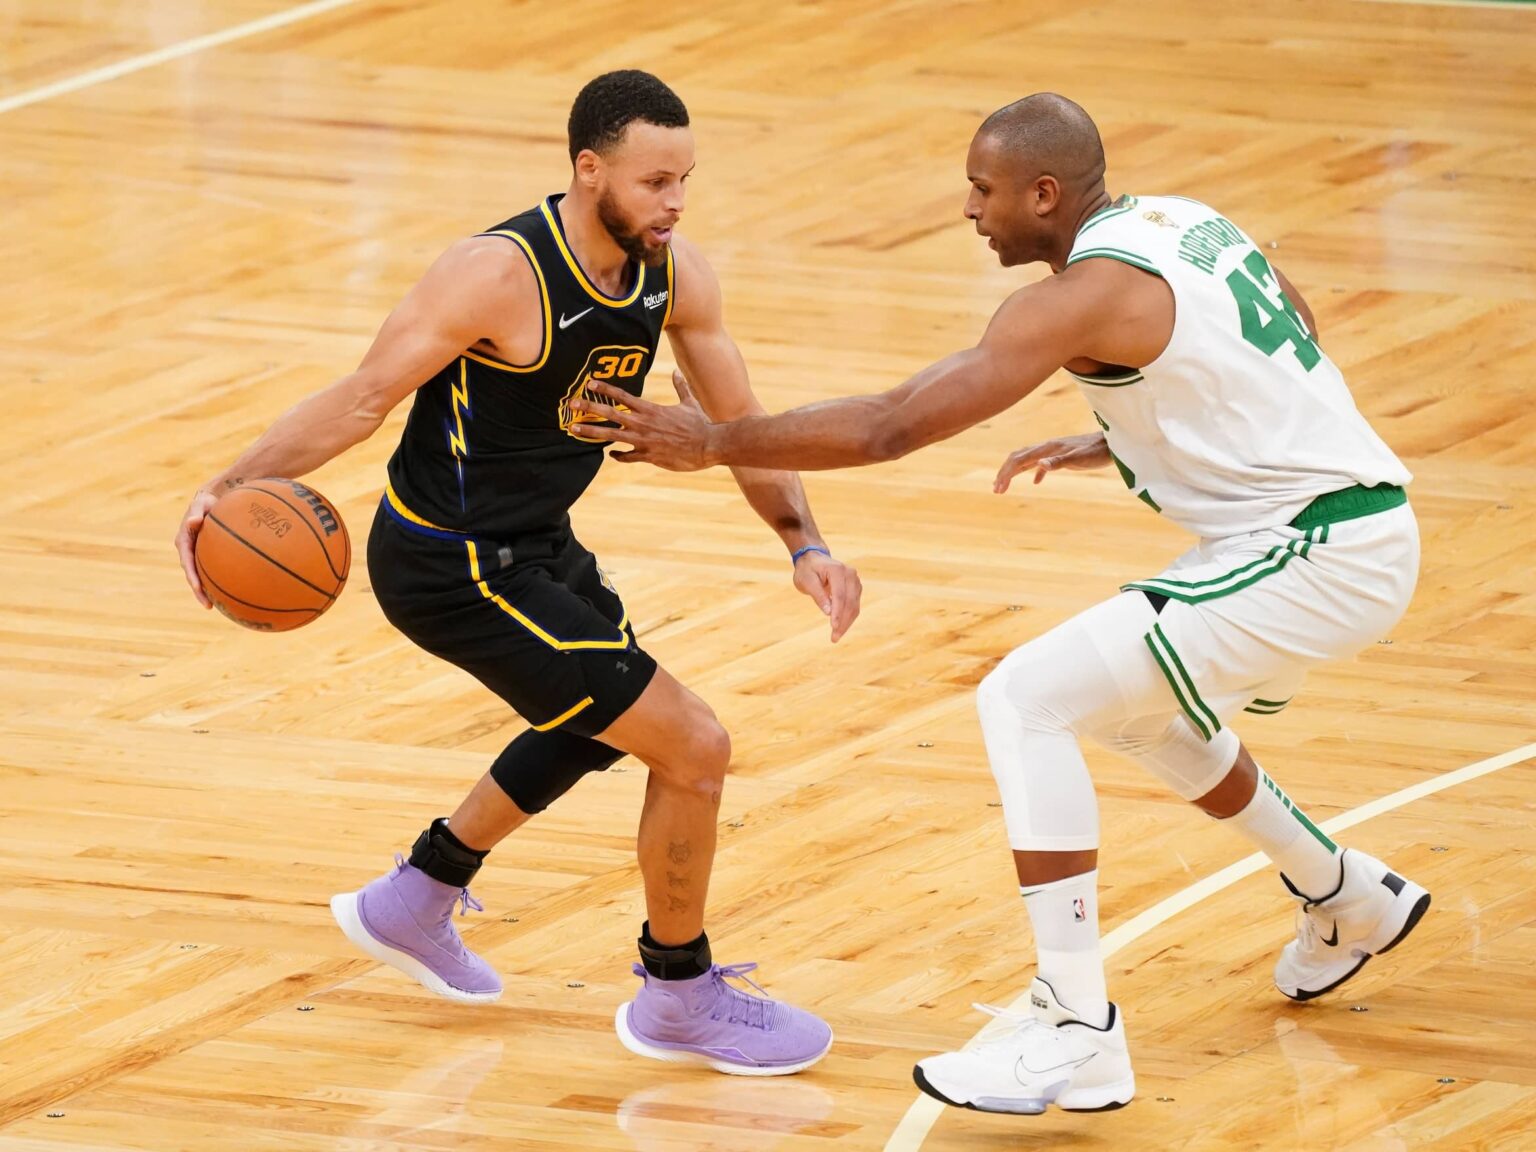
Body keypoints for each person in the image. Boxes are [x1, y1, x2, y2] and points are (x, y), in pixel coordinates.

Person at [571, 92, 1431, 1113]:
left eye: (983, 191)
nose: (970, 211)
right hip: (1332, 535)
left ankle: (1075, 1026)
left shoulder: (1077, 297)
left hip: (1319, 550)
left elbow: (894, 426)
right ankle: (1347, 897)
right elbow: (1289, 317)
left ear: (1044, 192)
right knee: (1139, 715)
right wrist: (1137, 433)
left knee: (1024, 698)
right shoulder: (1179, 221)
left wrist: (710, 441)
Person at [173, 70, 861, 1077]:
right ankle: (677, 993)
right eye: (654, 181)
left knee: (599, 721)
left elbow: (738, 426)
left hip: (536, 544)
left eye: (685, 181)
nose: (673, 203)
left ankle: (416, 897)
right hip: (449, 561)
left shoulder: (676, 276)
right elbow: (365, 398)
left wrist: (805, 542)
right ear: (590, 171)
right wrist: (230, 483)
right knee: (692, 745)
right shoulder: (497, 274)